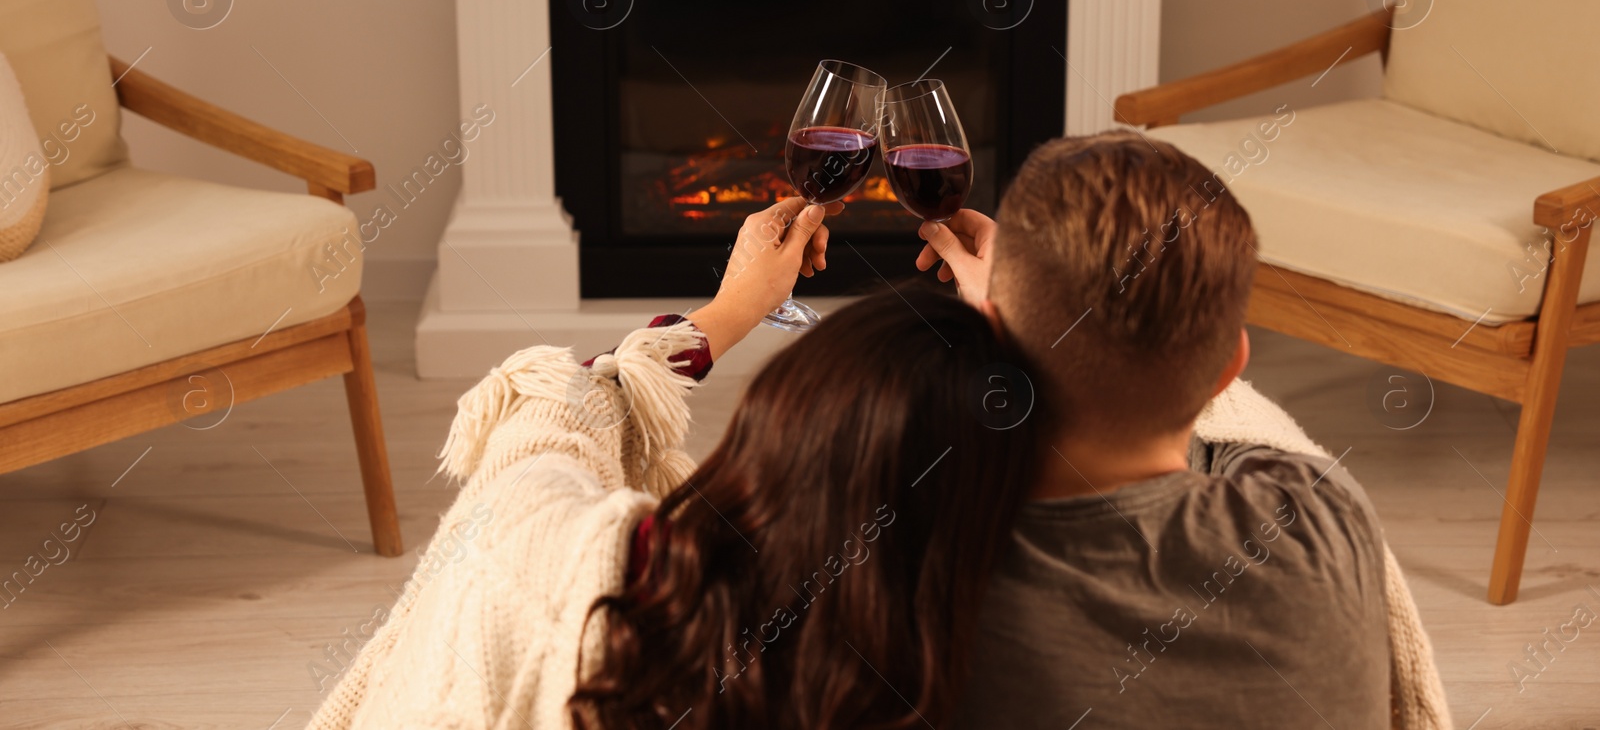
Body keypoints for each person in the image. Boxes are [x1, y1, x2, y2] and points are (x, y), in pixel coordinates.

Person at [307, 198, 1042, 730]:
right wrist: (1020, 334)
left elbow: (562, 407)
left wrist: (730, 309)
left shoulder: (568, 564)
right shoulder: (970, 665)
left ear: (777, 422)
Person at [912, 132, 1449, 729]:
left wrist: (1010, 322)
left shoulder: (932, 568)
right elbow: (1223, 406)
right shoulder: (1325, 517)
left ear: (995, 344)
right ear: (1229, 367)